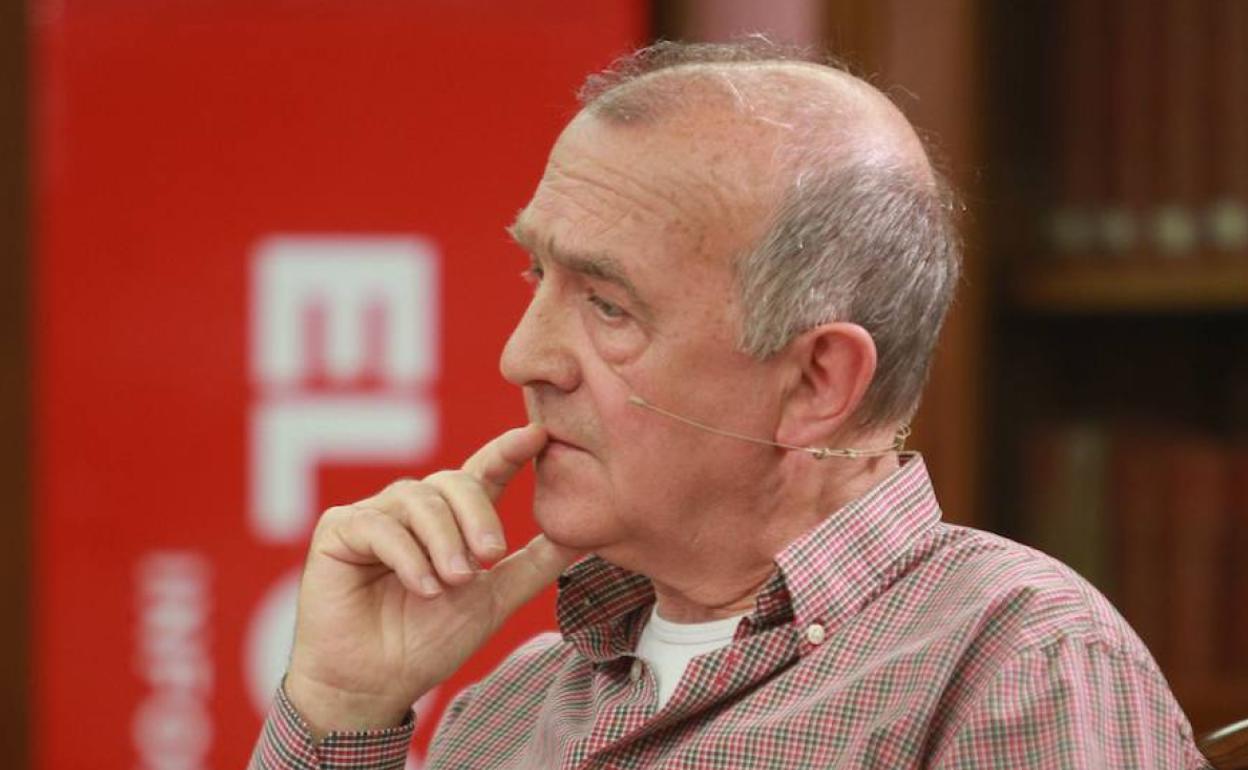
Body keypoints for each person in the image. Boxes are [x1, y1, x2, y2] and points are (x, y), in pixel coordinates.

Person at [249, 40, 1210, 769]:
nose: (522, 357)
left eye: (608, 305)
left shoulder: (1017, 664)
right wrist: (342, 709)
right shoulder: (509, 707)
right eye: (536, 274)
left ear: (817, 382)